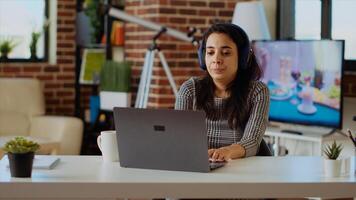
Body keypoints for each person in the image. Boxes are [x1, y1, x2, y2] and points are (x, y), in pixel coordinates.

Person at [175, 23, 270, 161]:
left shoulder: (258, 92)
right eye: (210, 52)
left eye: (226, 53)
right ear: (203, 57)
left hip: (241, 169)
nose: (216, 59)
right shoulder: (190, 89)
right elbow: (178, 137)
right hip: (199, 168)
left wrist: (226, 152)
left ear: (242, 57)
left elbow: (252, 141)